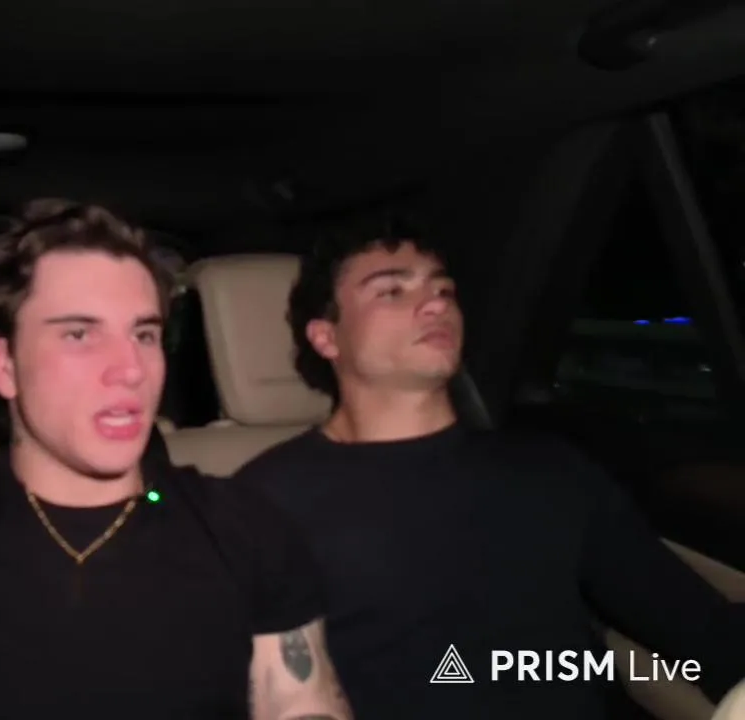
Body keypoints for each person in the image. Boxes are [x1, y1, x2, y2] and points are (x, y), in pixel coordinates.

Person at [0, 199, 352, 720]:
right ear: (3, 365)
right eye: (80, 334)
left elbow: (299, 700)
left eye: (145, 334)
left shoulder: (247, 528)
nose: (131, 369)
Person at [234, 208, 745, 719]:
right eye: (392, 291)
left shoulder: (551, 472)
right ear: (326, 337)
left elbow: (700, 630)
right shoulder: (263, 503)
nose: (436, 303)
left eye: (443, 289)